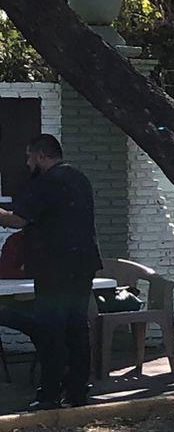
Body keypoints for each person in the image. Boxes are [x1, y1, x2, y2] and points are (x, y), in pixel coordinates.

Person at [0, 135, 102, 410]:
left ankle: (49, 394)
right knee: (76, 327)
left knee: (51, 331)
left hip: (55, 267)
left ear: (42, 156)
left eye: (30, 157)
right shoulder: (79, 178)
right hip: (83, 264)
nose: (27, 162)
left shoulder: (47, 181)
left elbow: (17, 219)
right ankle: (77, 390)